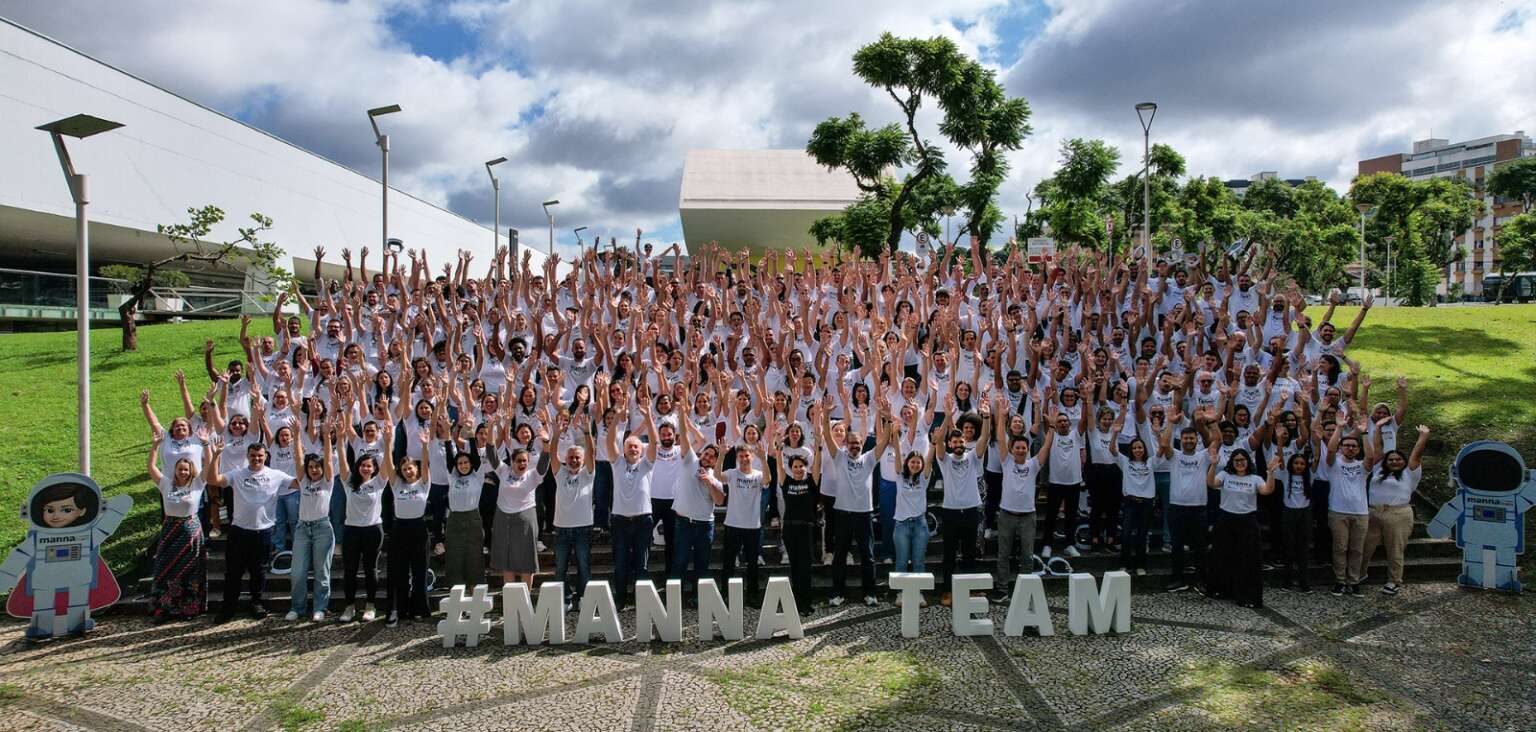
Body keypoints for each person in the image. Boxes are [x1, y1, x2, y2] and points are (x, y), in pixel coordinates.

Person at [207, 437, 298, 622]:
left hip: (263, 532)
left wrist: (299, 455)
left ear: (266, 456)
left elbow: (299, 482)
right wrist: (216, 455)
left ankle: (256, 603)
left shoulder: (276, 475)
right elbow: (212, 479)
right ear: (247, 456)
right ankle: (228, 608)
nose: (256, 458)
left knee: (259, 571)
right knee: (233, 572)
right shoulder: (237, 474)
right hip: (239, 531)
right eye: (253, 455)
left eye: (260, 455)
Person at [930, 392, 991, 606]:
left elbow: (984, 438)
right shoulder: (945, 460)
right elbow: (938, 441)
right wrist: (948, 416)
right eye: (954, 441)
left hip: (971, 511)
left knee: (969, 554)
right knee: (949, 554)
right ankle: (947, 591)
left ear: (965, 442)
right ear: (950, 444)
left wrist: (986, 416)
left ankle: (969, 589)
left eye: (961, 440)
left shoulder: (973, 458)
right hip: (951, 513)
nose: (958, 443)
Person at [146, 430, 212, 621]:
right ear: (175, 470)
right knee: (165, 570)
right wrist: (155, 446)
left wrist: (206, 445)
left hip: (190, 531)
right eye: (180, 469)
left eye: (186, 469)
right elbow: (151, 467)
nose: (183, 472)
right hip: (170, 531)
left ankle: (189, 608)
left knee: (190, 571)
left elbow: (208, 466)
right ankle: (164, 609)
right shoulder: (165, 484)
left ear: (191, 471)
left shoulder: (197, 484)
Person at [993, 398, 1052, 601]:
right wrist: (1002, 417)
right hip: (1006, 514)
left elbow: (1046, 447)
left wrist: (1051, 428)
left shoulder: (1033, 464)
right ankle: (1002, 589)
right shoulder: (1006, 461)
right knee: (1003, 554)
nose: (1020, 450)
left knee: (1027, 556)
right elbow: (1001, 438)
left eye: (1023, 448)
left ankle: (1024, 591)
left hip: (1027, 516)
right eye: (1017, 447)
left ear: (1027, 450)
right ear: (1012, 449)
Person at [1361, 423, 1429, 595]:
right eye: (1391, 460)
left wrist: (1423, 436)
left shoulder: (1410, 472)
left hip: (1398, 514)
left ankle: (1394, 581)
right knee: (1364, 546)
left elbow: (1417, 454)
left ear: (1404, 461)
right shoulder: (1378, 470)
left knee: (1395, 549)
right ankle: (1359, 574)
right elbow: (1378, 448)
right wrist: (1377, 429)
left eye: (1398, 459)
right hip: (1373, 512)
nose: (1394, 462)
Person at [606, 394, 660, 611]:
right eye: (629, 446)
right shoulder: (617, 463)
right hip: (620, 521)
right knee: (620, 563)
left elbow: (654, 442)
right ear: (624, 449)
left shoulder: (647, 464)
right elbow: (610, 442)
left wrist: (648, 418)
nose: (633, 449)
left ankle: (642, 601)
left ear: (641, 450)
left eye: (636, 446)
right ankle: (621, 599)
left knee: (641, 564)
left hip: (643, 521)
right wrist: (617, 418)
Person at [1205, 447, 1273, 608]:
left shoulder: (1255, 478)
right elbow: (1211, 483)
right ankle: (1222, 590)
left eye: (1242, 460)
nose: (1240, 463)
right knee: (1223, 556)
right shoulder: (1225, 475)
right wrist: (1213, 465)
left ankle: (1247, 595)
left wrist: (1270, 473)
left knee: (1247, 560)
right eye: (1236, 460)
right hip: (1226, 520)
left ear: (1248, 461)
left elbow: (1267, 490)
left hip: (1247, 521)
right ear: (1232, 462)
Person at [1322, 413, 1376, 596]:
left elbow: (1371, 457)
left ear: (1358, 449)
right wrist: (1339, 427)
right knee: (1340, 547)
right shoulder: (1334, 464)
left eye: (1354, 446)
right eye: (1347, 445)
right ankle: (1340, 581)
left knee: (1356, 549)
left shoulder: (1362, 466)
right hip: (1338, 511)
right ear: (1341, 448)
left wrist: (1364, 433)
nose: (1350, 448)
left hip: (1360, 512)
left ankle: (1353, 581)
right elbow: (1330, 451)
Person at [385, 425, 433, 625]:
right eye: (404, 469)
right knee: (400, 572)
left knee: (420, 571)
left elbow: (425, 465)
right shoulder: (397, 485)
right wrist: (388, 443)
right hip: (400, 530)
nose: (407, 471)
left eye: (410, 468)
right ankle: (400, 609)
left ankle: (419, 608)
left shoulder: (424, 483)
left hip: (418, 529)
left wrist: (425, 446)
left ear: (416, 469)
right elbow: (389, 466)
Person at [335, 438, 387, 623]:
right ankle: (349, 607)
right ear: (358, 467)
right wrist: (340, 441)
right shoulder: (349, 482)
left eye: (369, 466)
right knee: (350, 570)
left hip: (372, 530)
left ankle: (370, 606)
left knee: (370, 569)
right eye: (363, 465)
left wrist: (388, 441)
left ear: (374, 469)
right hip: (352, 530)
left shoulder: (379, 482)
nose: (365, 468)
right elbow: (342, 460)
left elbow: (387, 462)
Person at [550, 413, 597, 609]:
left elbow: (592, 454)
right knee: (561, 568)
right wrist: (556, 435)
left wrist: (587, 433)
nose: (574, 460)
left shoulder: (588, 474)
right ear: (565, 459)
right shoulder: (559, 473)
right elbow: (552, 454)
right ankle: (565, 599)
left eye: (577, 457)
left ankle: (584, 598)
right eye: (570, 457)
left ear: (583, 459)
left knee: (584, 566)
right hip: (561, 529)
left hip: (583, 529)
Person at [718, 442, 767, 600]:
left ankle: (753, 594)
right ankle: (725, 593)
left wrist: (763, 459)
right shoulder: (732, 473)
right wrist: (721, 455)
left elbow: (768, 480)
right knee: (729, 562)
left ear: (752, 456)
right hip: (733, 525)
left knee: (752, 563)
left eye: (747, 455)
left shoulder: (758, 475)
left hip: (752, 526)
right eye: (741, 456)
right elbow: (717, 476)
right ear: (737, 458)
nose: (744, 458)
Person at [1275, 452, 1314, 593]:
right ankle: (1287, 582)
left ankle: (1304, 582)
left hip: (1305, 514)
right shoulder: (1285, 475)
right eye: (1296, 463)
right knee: (1288, 548)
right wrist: (1279, 443)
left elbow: (1316, 459)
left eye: (1302, 463)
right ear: (1291, 464)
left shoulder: (1310, 476)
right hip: (1289, 513)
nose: (1299, 466)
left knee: (1303, 549)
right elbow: (1280, 457)